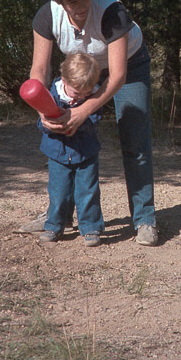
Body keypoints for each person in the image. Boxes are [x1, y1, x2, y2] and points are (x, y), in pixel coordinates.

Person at [26, 0, 158, 246]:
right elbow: (39, 71)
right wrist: (44, 111)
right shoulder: (47, 16)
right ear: (59, 0)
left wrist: (84, 110)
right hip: (83, 71)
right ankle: (57, 217)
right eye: (73, 5)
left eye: (85, 1)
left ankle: (145, 219)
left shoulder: (113, 13)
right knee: (64, 141)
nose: (81, 10)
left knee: (134, 138)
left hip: (127, 68)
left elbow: (118, 75)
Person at [38, 53, 105, 247]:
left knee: (88, 190)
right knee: (59, 191)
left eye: (87, 93)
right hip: (58, 153)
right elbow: (40, 122)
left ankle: (91, 227)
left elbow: (95, 117)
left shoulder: (92, 95)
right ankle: (54, 225)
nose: (82, 97)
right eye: (78, 93)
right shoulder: (51, 95)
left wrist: (79, 121)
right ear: (65, 81)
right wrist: (48, 125)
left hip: (86, 152)